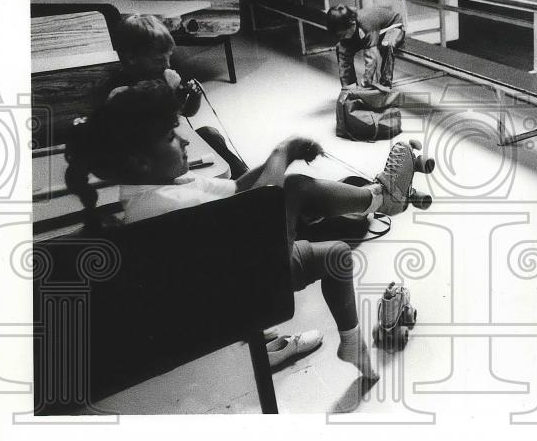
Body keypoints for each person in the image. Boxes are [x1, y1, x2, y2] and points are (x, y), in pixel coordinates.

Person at [64, 80, 421, 385]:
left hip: (234, 261)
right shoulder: (157, 204)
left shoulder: (165, 184)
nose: (185, 141)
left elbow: (236, 191)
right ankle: (382, 198)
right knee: (293, 188)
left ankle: (352, 342)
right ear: (141, 160)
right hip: (237, 288)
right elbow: (257, 209)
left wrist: (276, 160)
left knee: (337, 255)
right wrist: (283, 152)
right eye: (172, 137)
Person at [98, 13, 248, 178]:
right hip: (149, 159)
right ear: (131, 57)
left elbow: (185, 112)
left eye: (168, 58)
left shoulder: (160, 74)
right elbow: (147, 128)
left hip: (170, 145)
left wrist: (194, 96)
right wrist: (168, 90)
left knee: (210, 134)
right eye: (158, 60)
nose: (167, 65)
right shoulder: (120, 90)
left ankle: (245, 178)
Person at [327, 4, 406, 90]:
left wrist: (366, 84)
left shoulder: (366, 24)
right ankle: (350, 87)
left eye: (343, 34)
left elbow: (372, 58)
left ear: (352, 24)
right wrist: (348, 88)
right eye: (339, 36)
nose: (341, 38)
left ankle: (384, 85)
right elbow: (344, 59)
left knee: (386, 45)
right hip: (374, 31)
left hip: (393, 25)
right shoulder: (347, 28)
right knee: (342, 48)